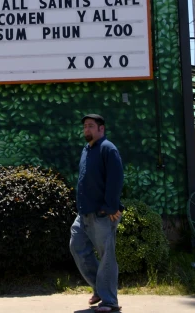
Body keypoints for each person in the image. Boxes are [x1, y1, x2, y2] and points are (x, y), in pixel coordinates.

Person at [69, 113, 124, 313]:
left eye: (91, 126)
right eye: (85, 126)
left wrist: (110, 207)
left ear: (101, 128)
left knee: (106, 255)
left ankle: (110, 301)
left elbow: (116, 178)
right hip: (84, 213)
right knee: (77, 246)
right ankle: (99, 289)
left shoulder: (108, 149)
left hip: (102, 214)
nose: (87, 130)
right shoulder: (87, 149)